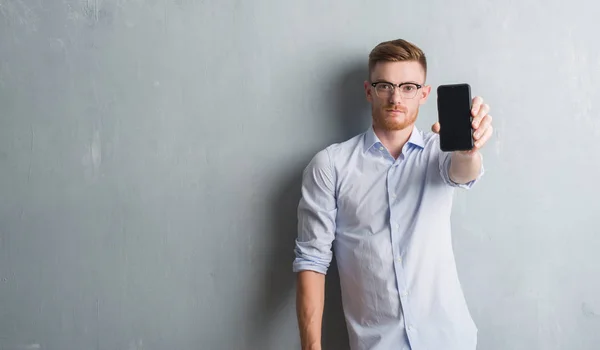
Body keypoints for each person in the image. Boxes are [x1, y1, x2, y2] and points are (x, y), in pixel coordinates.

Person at [292, 38, 494, 350]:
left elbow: (463, 172)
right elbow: (311, 261)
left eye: (408, 87)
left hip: (450, 341)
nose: (395, 97)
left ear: (424, 94)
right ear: (368, 90)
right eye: (385, 85)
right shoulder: (330, 166)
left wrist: (468, 150)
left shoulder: (439, 152)